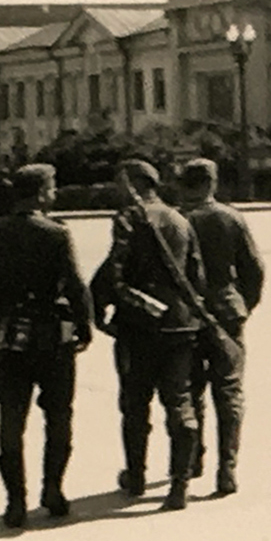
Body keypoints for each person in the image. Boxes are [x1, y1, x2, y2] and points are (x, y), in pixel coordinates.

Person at [0, 163, 94, 526]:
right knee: (59, 413)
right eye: (51, 188)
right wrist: (85, 324)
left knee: (11, 415)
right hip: (52, 335)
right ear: (39, 192)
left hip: (7, 335)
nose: (54, 194)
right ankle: (53, 489)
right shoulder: (56, 233)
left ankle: (14, 501)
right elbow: (75, 285)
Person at [98, 159, 207, 511]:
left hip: (138, 326)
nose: (116, 189)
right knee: (179, 401)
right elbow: (196, 275)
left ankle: (137, 476)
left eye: (120, 181)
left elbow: (116, 269)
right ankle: (180, 484)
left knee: (135, 403)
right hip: (180, 323)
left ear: (136, 183)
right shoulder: (179, 219)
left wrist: (99, 309)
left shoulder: (129, 218)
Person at [175, 158, 265, 498]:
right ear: (213, 184)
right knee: (229, 392)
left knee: (191, 388)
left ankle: (194, 457)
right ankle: (227, 469)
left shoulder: (179, 220)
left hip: (190, 315)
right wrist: (243, 305)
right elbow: (253, 269)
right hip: (227, 313)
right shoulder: (231, 218)